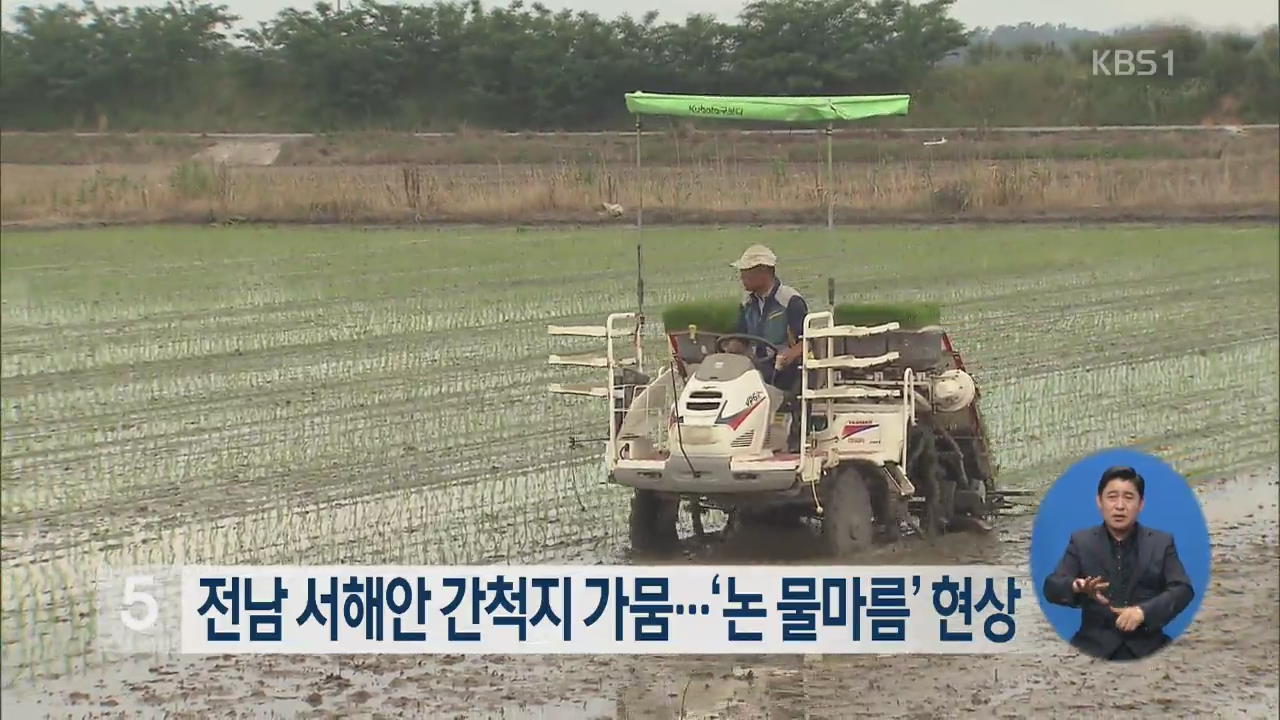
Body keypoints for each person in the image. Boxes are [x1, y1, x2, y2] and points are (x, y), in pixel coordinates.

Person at [1042, 466, 1195, 661]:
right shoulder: (1082, 542)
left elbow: (1182, 589)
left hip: (1149, 647)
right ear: (1099, 501)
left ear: (1141, 504)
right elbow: (1051, 586)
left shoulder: (1161, 543)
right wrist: (1077, 586)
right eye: (1112, 497)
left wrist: (1142, 612)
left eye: (1128, 498)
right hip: (1092, 647)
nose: (1120, 506)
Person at [727, 244, 809, 392]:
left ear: (763, 271)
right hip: (754, 370)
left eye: (746, 272)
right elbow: (740, 338)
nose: (742, 277)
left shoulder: (790, 301)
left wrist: (788, 356)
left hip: (783, 373)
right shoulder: (747, 305)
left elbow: (806, 343)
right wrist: (729, 350)